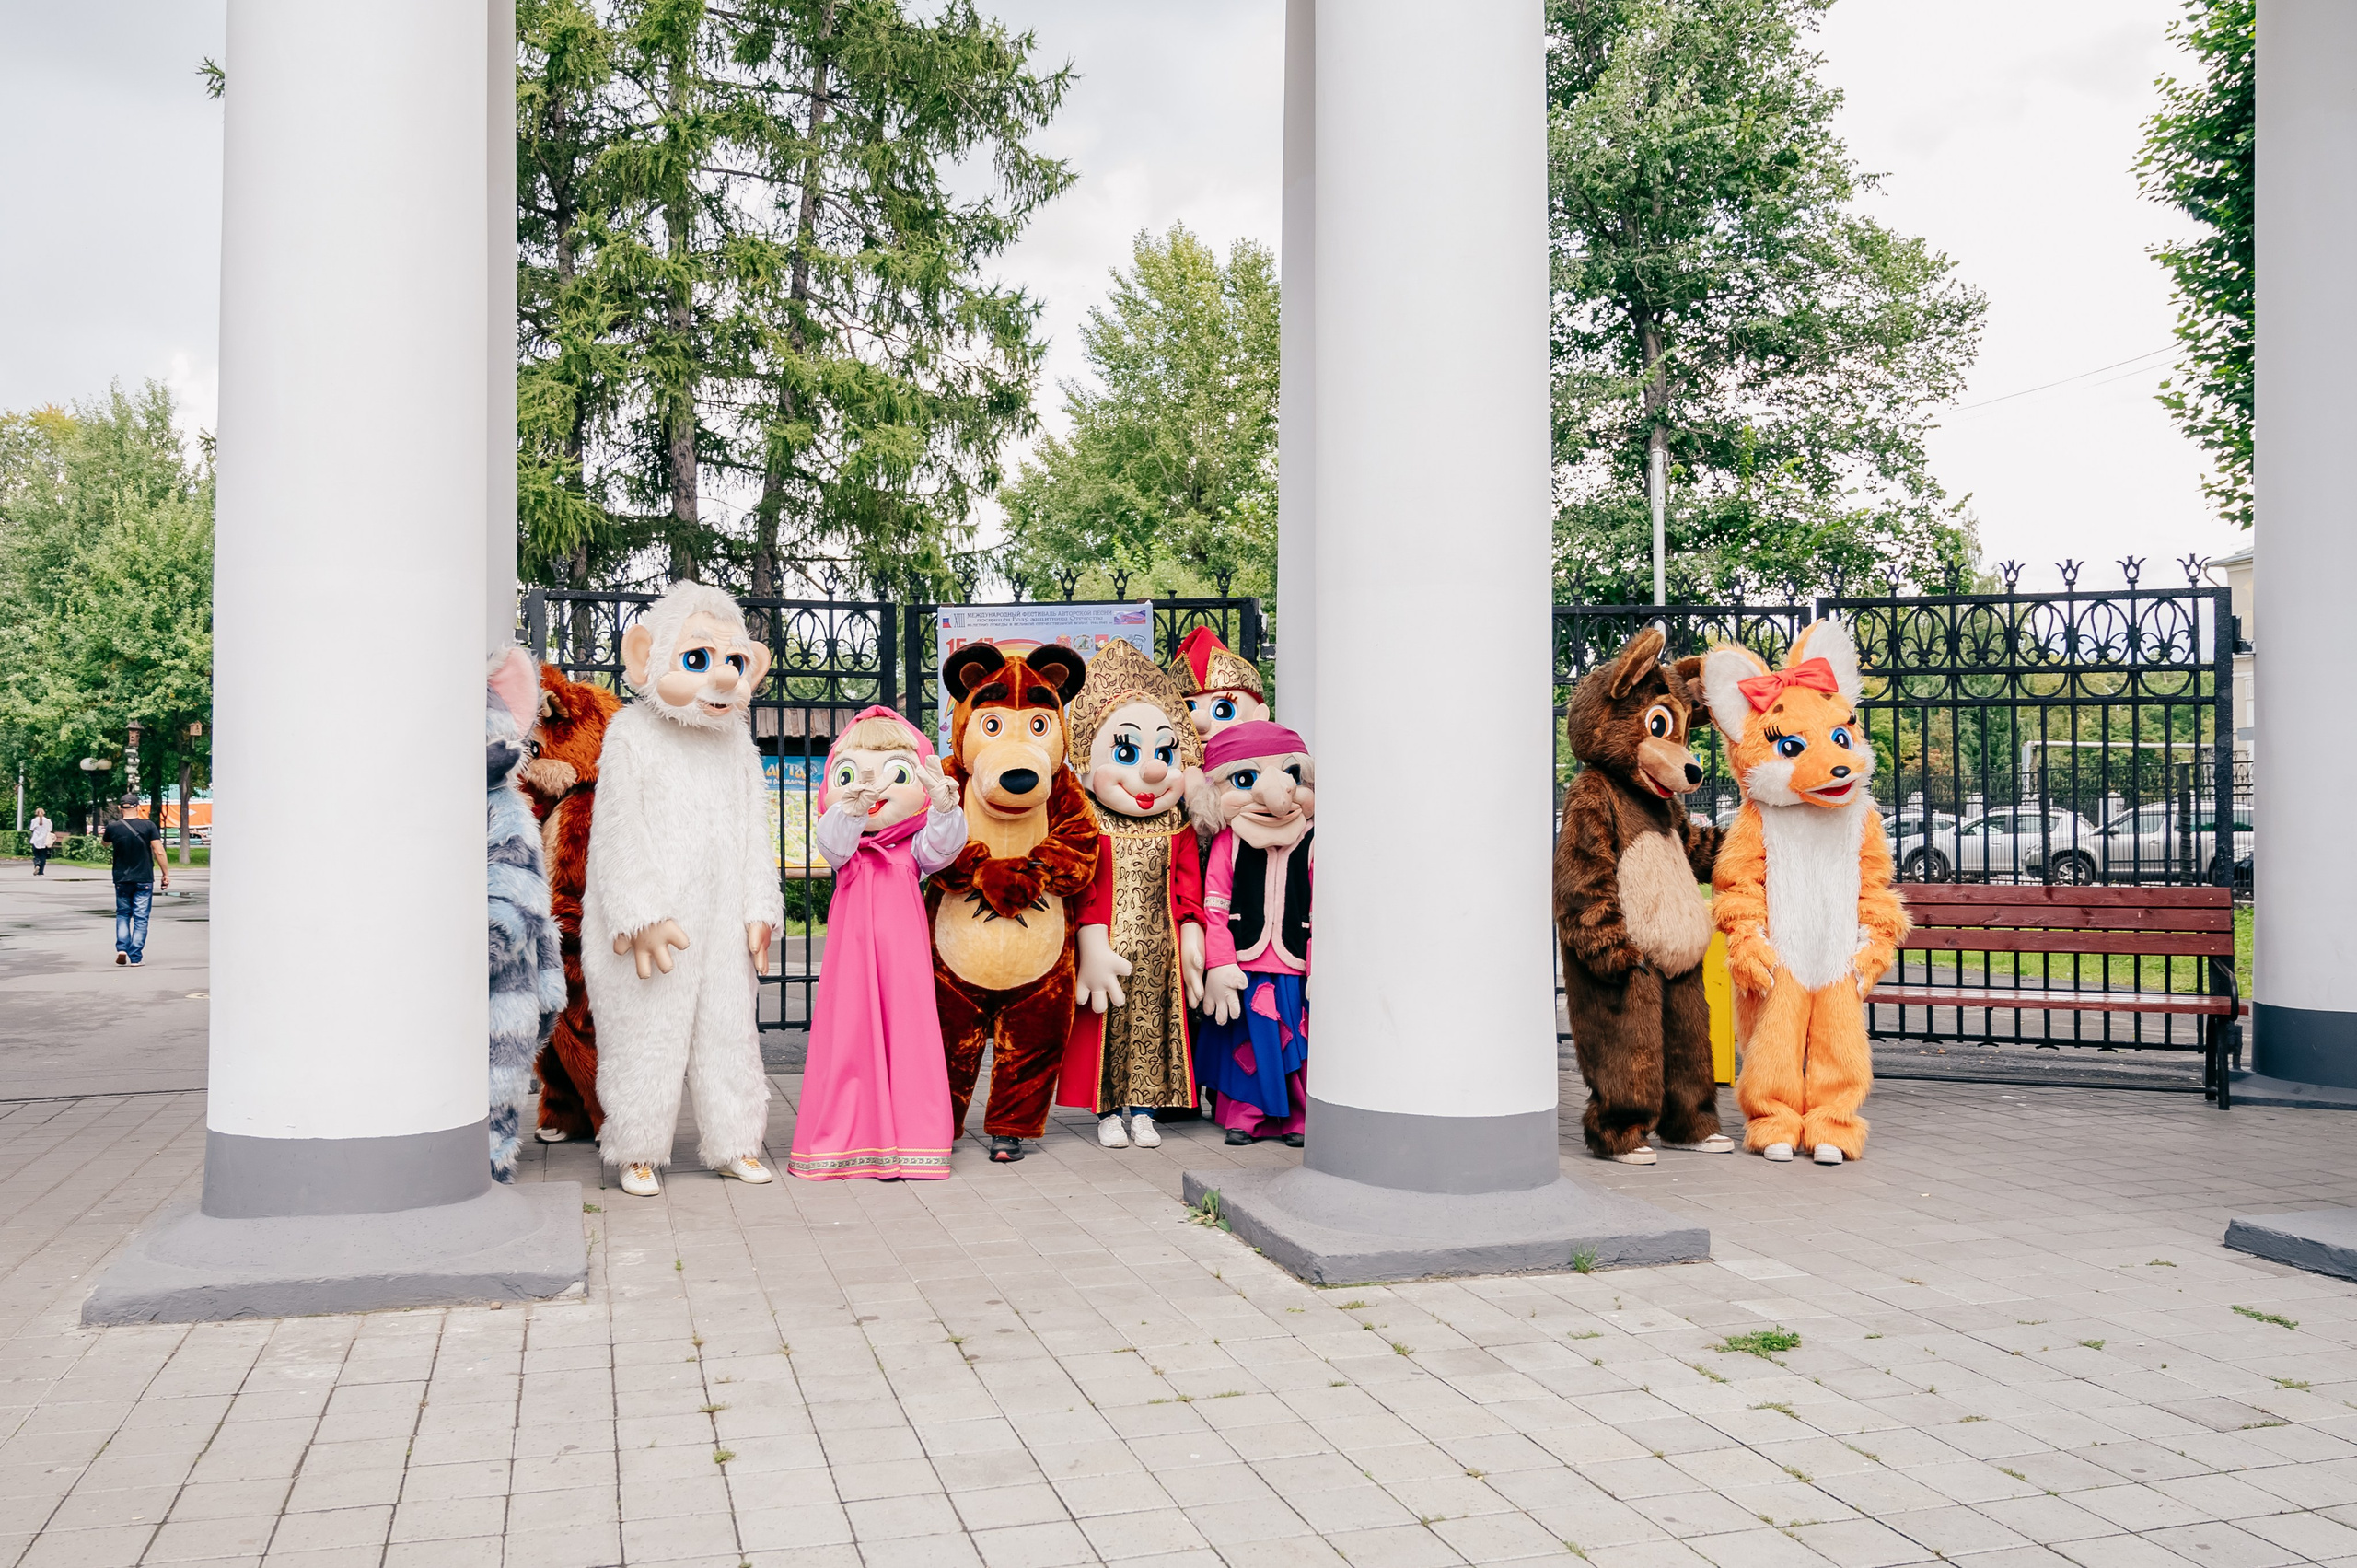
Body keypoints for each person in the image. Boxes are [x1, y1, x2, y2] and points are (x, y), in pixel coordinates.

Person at [100, 796, 168, 965]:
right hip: (144, 877)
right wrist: (165, 873)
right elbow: (159, 851)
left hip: (121, 878)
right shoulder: (148, 826)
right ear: (138, 807)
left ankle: (122, 948)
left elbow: (105, 844)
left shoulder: (113, 827)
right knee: (141, 917)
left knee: (123, 914)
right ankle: (136, 957)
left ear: (119, 808)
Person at [28, 808, 52, 876]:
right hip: (44, 841)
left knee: (36, 855)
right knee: (43, 856)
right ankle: (41, 871)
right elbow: (50, 830)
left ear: (36, 813)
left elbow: (31, 829)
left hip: (36, 840)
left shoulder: (34, 820)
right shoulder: (48, 821)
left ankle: (37, 864)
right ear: (44, 813)